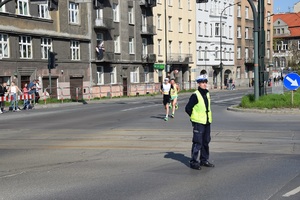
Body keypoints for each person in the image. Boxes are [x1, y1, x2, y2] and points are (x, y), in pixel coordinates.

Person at [185, 75, 214, 170]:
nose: (205, 84)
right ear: (198, 83)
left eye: (206, 82)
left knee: (206, 141)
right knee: (197, 143)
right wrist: (194, 118)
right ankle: (193, 161)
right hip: (198, 122)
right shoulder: (195, 95)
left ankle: (204, 160)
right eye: (202, 82)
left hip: (207, 121)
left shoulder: (207, 93)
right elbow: (188, 108)